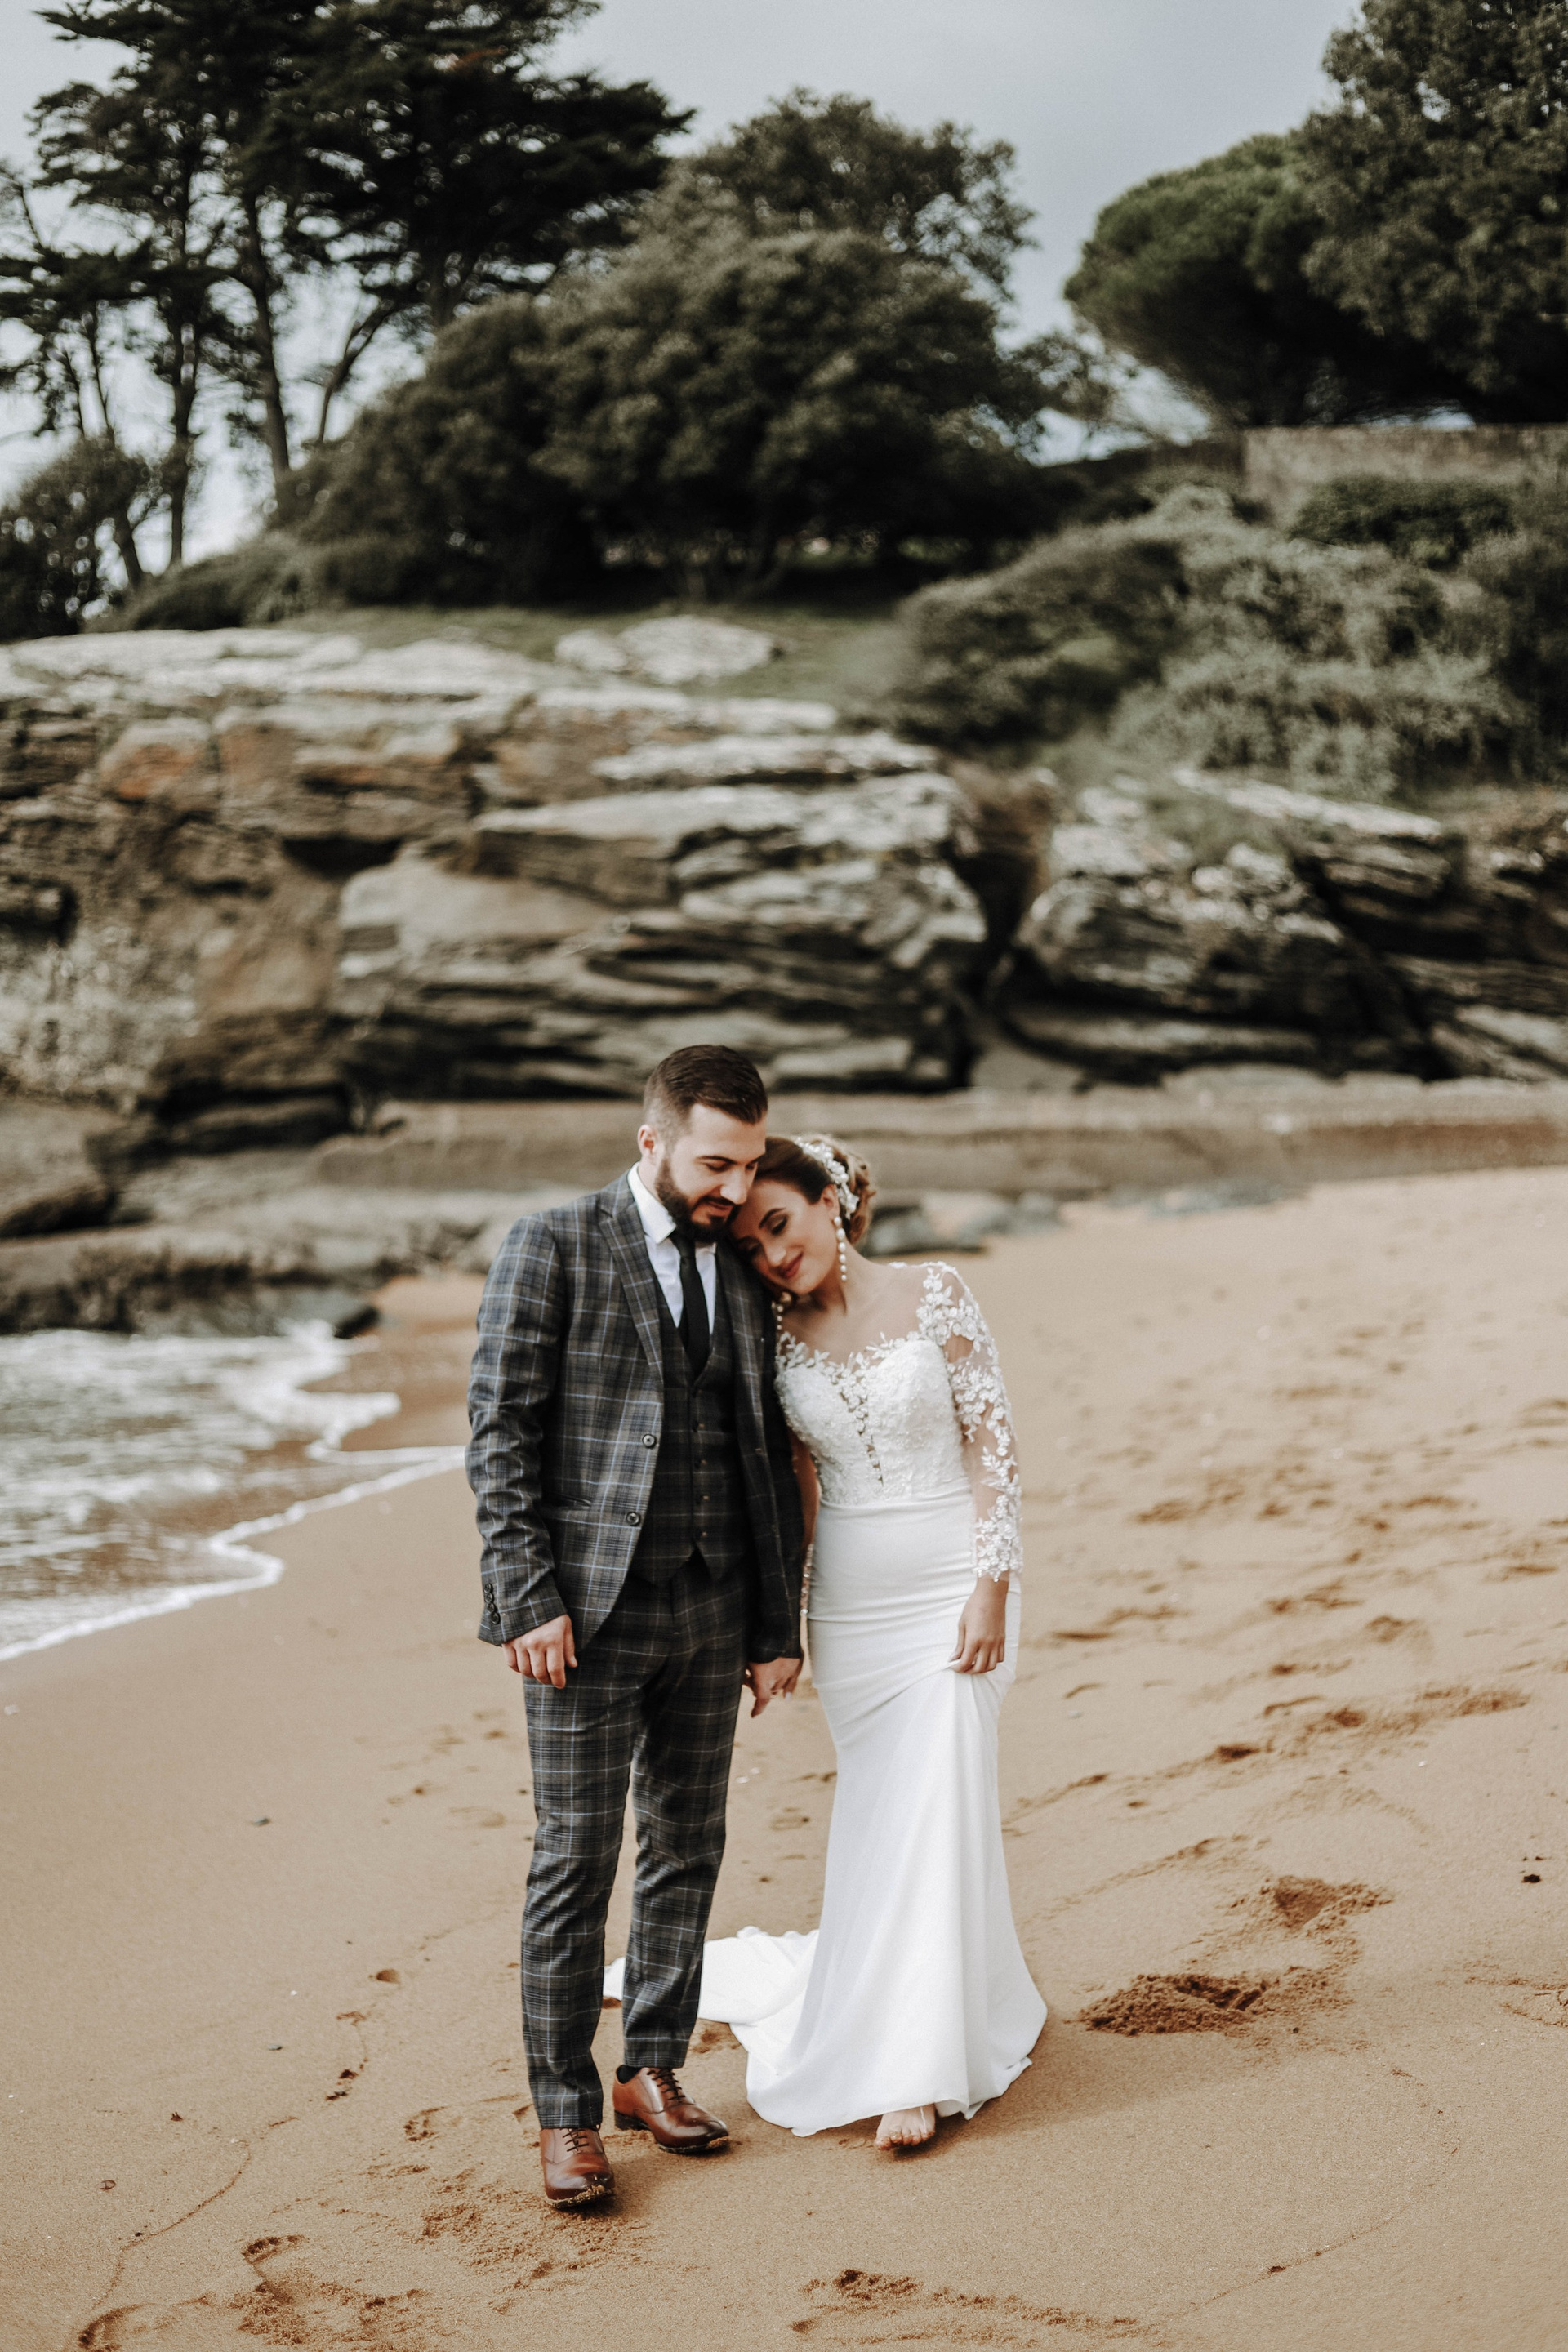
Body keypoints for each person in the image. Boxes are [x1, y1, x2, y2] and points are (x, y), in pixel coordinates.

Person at [616, 1131, 1046, 2149]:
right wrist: (788, 1625)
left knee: (942, 1793)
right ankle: (939, 2001)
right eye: (752, 1247)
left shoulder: (935, 1291)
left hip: (953, 1584)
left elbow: (992, 1446)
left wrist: (991, 1585)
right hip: (854, 1608)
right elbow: (797, 1492)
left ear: (830, 1202)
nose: (773, 1256)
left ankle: (918, 2071)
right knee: (891, 1818)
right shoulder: (772, 1337)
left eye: (781, 1225)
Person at [466, 1046, 806, 2207]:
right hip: (585, 1617)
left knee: (688, 1845)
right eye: (716, 1164)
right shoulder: (552, 1244)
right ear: (651, 1139)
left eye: (750, 1165)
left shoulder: (739, 1265)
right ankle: (565, 2115)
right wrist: (526, 1597)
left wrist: (775, 1624)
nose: (734, 1188)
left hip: (713, 1608)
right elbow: (500, 1431)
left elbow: (760, 1455)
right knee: (575, 1859)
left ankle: (649, 2067)